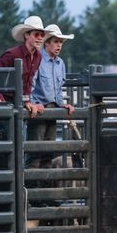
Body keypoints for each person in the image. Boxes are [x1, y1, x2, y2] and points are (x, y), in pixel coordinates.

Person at [28, 24, 75, 170]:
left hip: (53, 109)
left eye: (60, 42)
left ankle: (45, 189)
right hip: (39, 110)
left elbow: (58, 89)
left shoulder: (60, 63)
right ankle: (32, 190)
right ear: (46, 43)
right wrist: (33, 103)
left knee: (48, 151)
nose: (59, 45)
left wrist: (62, 105)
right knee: (35, 152)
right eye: (55, 41)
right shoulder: (37, 59)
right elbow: (30, 84)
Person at [0, 16, 50, 125]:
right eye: (36, 34)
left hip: (19, 102)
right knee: (5, 136)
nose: (40, 38)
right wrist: (1, 101)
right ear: (26, 35)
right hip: (6, 101)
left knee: (19, 136)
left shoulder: (38, 56)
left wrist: (26, 101)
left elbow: (29, 82)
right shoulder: (12, 54)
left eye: (42, 35)